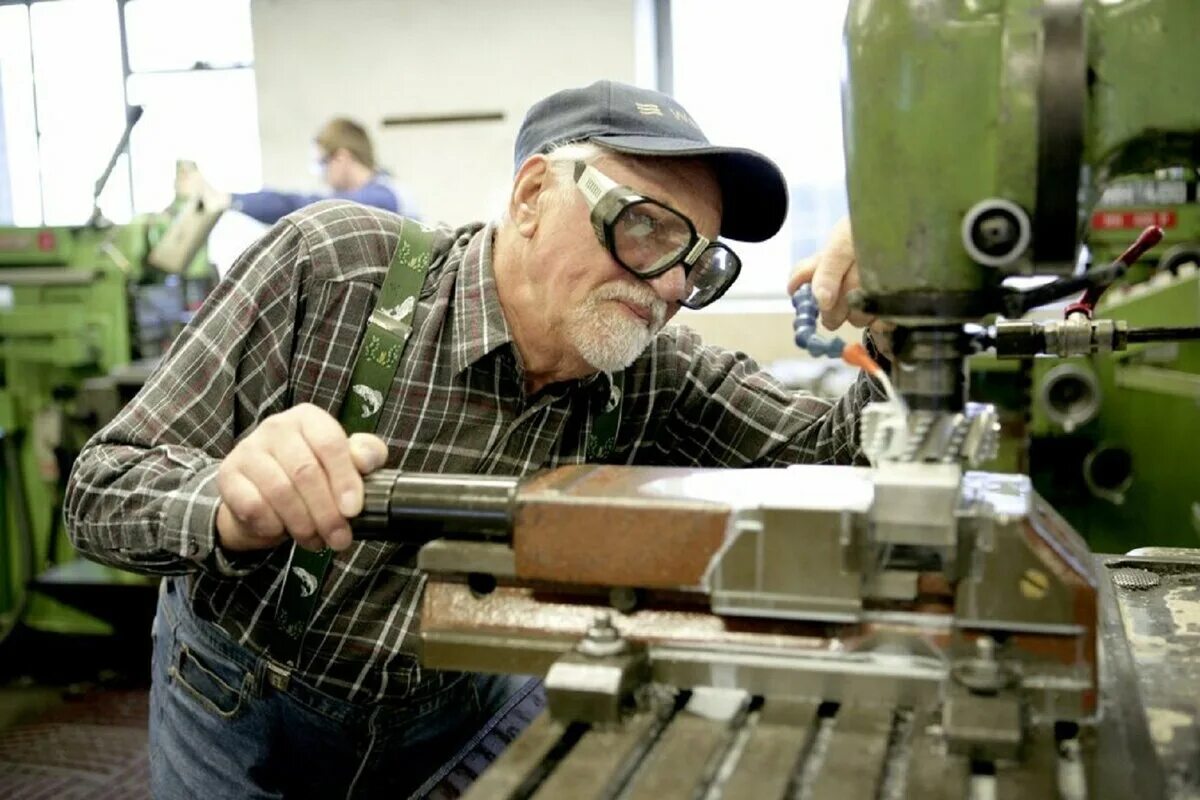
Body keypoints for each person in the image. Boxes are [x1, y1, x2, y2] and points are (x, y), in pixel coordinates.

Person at [65, 80, 882, 798]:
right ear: (531, 197)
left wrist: (899, 310)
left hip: (446, 721)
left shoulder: (651, 368)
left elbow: (841, 456)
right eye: (647, 228)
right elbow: (103, 485)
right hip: (236, 703)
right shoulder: (331, 267)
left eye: (698, 263)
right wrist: (226, 505)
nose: (670, 284)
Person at [179, 117, 418, 225]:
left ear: (342, 157)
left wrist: (227, 199)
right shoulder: (383, 193)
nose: (322, 175)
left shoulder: (386, 197)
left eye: (322, 164)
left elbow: (303, 207)